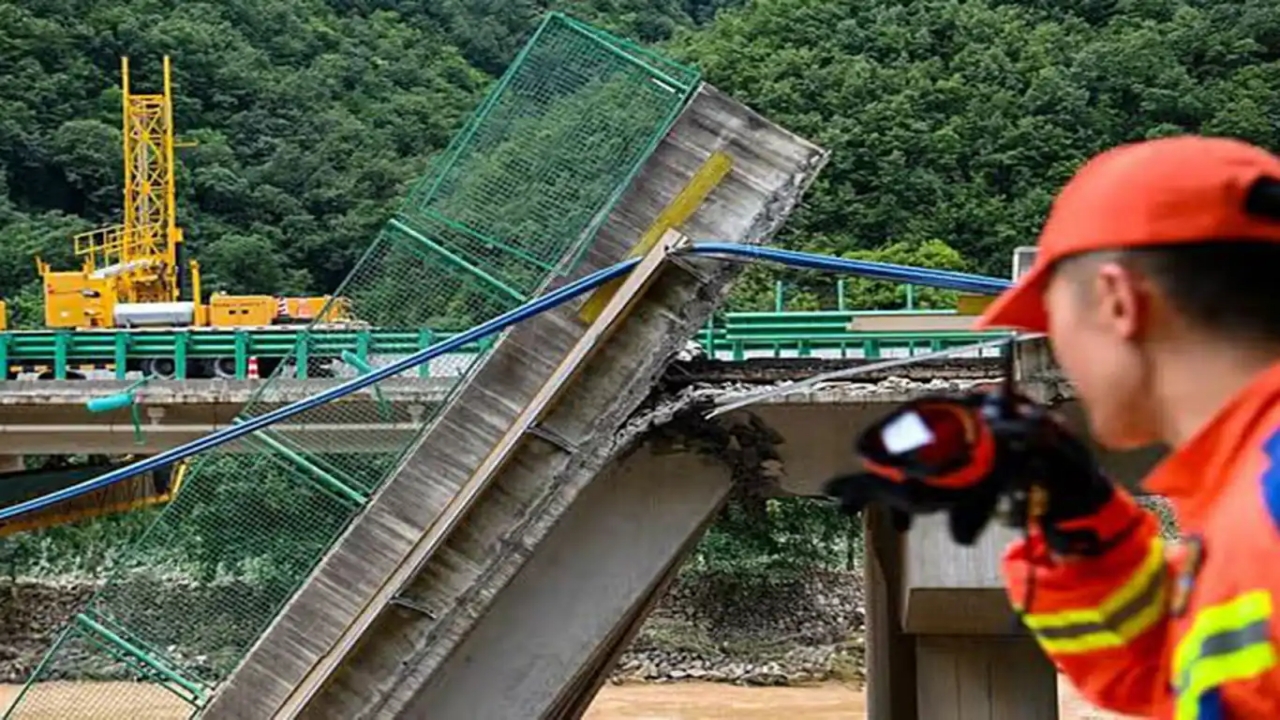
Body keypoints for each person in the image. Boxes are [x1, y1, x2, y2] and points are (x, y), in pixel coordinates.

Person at [826, 135, 1280, 719]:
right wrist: (1077, 516)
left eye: (1049, 324)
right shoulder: (1245, 496)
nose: (1058, 353)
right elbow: (1176, 677)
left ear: (1118, 302)